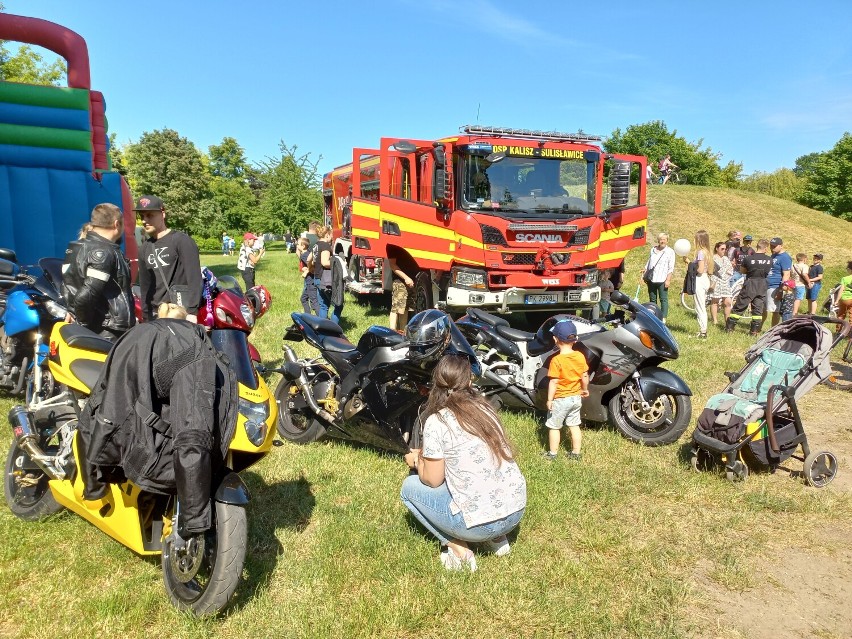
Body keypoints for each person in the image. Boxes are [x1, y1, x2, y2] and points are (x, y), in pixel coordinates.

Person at [401, 354, 527, 571]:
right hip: (515, 512)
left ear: (437, 383)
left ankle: (459, 549)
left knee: (408, 489)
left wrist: (417, 461)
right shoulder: (486, 409)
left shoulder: (437, 421)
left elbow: (432, 480)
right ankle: (497, 540)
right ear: (470, 381)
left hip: (478, 523)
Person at [60, 203, 135, 339]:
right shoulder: (103, 252)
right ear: (117, 224)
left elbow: (68, 285)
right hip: (107, 331)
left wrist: (73, 314)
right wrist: (83, 326)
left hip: (95, 328)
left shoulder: (75, 247)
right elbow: (86, 294)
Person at [136, 195, 202, 322]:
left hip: (178, 313)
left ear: (163, 214)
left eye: (150, 215)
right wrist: (146, 316)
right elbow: (145, 285)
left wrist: (192, 312)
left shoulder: (181, 240)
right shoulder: (144, 248)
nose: (145, 220)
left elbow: (194, 278)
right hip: (156, 314)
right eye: (142, 216)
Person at [543, 320, 590, 460]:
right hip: (576, 398)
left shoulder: (556, 360)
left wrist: (550, 399)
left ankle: (552, 453)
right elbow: (585, 375)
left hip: (560, 399)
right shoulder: (580, 356)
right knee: (574, 425)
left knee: (554, 426)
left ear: (555, 339)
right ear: (575, 339)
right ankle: (576, 453)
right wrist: (585, 389)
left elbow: (554, 381)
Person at [726, 239, 773, 336]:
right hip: (762, 284)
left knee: (740, 305)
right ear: (766, 248)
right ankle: (754, 331)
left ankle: (730, 327)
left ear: (757, 247)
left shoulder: (748, 258)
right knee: (758, 308)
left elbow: (742, 271)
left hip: (750, 283)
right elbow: (768, 272)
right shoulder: (769, 260)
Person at [640, 233, 676, 323]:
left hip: (662, 279)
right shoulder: (653, 249)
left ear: (667, 241)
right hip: (652, 278)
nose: (662, 241)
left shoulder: (670, 252)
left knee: (663, 299)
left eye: (664, 239)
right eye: (661, 239)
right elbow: (649, 262)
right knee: (652, 299)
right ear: (658, 240)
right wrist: (645, 270)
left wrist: (668, 280)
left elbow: (671, 267)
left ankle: (663, 318)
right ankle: (654, 317)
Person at [686, 230, 711, 338]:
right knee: (701, 306)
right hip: (705, 278)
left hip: (700, 279)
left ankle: (703, 331)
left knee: (700, 307)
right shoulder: (707, 252)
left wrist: (689, 263)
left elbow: (700, 269)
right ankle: (702, 330)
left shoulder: (701, 252)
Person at [765, 237, 792, 327]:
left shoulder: (785, 257)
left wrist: (780, 290)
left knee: (775, 310)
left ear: (781, 246)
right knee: (763, 309)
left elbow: (786, 274)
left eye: (774, 246)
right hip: (766, 284)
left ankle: (773, 329)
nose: (772, 248)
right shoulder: (773, 255)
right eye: (771, 246)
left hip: (775, 286)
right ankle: (758, 328)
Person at [312, 226, 336, 321]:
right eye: (331, 235)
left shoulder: (316, 245)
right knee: (337, 304)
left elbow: (310, 259)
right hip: (325, 280)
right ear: (327, 235)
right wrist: (337, 264)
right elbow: (325, 262)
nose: (332, 237)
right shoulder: (325, 245)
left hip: (317, 277)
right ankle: (334, 329)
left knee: (323, 305)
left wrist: (310, 268)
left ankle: (322, 328)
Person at [709, 241, 734, 326]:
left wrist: (725, 273)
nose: (724, 250)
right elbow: (711, 271)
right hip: (715, 281)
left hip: (725, 282)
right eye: (722, 249)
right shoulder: (713, 258)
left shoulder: (726, 259)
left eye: (725, 249)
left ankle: (727, 321)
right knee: (715, 301)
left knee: (728, 302)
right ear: (717, 249)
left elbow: (730, 270)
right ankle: (715, 321)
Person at [388, 256, 414, 332]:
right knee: (396, 308)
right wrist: (406, 278)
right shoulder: (394, 247)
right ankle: (391, 332)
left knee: (405, 308)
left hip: (411, 281)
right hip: (400, 281)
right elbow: (392, 265)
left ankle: (402, 333)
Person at [296, 237, 315, 314]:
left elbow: (313, 265)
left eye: (298, 244)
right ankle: (308, 316)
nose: (296, 246)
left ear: (303, 246)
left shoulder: (304, 256)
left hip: (310, 281)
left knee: (314, 301)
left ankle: (322, 319)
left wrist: (307, 270)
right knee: (303, 299)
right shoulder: (307, 253)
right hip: (309, 281)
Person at [835, 261, 852, 327]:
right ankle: (851, 336)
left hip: (845, 299)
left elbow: (841, 290)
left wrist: (836, 300)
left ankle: (838, 333)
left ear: (849, 269)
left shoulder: (845, 279)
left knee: (841, 316)